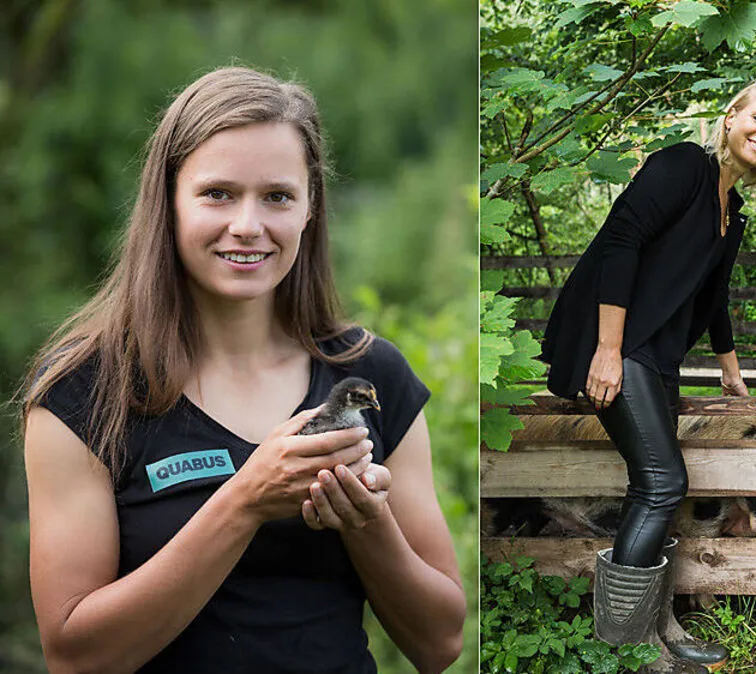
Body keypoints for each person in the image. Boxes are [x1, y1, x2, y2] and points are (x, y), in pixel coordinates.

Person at [20, 67, 466, 673]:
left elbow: (440, 645)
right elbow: (75, 659)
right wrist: (246, 501)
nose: (249, 225)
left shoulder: (373, 375)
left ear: (310, 209)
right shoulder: (84, 393)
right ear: (168, 203)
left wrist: (366, 519)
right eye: (218, 193)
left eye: (278, 196)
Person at [539, 81, 756, 673]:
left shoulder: (731, 216)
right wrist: (606, 351)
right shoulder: (682, 165)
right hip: (612, 341)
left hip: (656, 353)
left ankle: (658, 627)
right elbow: (621, 243)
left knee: (652, 488)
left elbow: (715, 298)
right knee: (663, 483)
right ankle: (626, 643)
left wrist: (734, 375)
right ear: (731, 118)